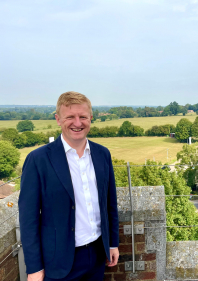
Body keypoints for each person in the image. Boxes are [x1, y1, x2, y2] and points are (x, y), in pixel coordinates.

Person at [19, 92, 119, 281]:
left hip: (98, 255)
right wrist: (34, 267)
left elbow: (110, 203)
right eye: (70, 117)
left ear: (91, 118)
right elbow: (28, 218)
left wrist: (112, 244)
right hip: (58, 261)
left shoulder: (102, 154)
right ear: (58, 119)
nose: (77, 123)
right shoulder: (38, 159)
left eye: (82, 117)